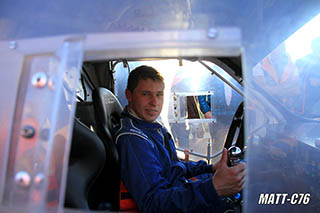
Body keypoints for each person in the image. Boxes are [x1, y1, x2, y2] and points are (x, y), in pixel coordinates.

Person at [112, 65, 246, 212]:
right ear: (129, 95)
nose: (154, 102)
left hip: (178, 192)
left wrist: (211, 167)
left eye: (159, 94)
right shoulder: (134, 140)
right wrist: (214, 188)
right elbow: (153, 203)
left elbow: (174, 166)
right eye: (145, 94)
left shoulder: (150, 126)